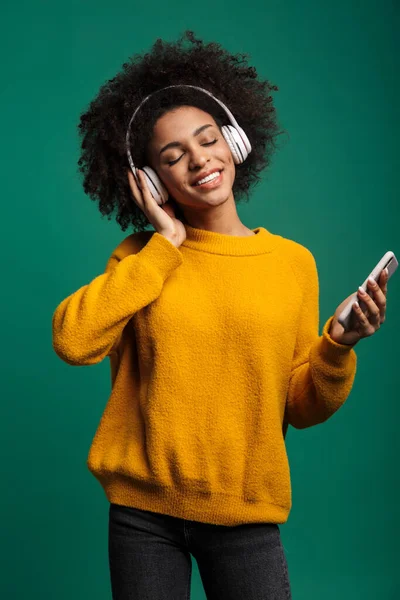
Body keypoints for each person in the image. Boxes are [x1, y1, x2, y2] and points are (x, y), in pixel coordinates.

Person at [52, 30, 389, 600]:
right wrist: (165, 243)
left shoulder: (291, 263)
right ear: (151, 181)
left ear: (234, 143)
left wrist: (337, 345)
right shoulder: (141, 258)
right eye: (172, 156)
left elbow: (300, 407)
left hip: (245, 513)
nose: (198, 160)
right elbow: (73, 341)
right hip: (142, 516)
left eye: (208, 140)